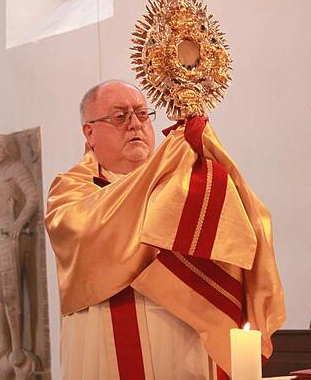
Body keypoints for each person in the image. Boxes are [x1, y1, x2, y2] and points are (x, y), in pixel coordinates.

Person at [45, 80, 284, 379]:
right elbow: (92, 231)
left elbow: (240, 232)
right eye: (120, 117)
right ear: (89, 132)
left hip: (188, 343)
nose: (134, 124)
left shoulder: (183, 181)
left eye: (142, 115)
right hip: (110, 340)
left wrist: (207, 160)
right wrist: (170, 157)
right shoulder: (71, 189)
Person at [0, 134, 40, 369]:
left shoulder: (16, 168)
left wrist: (19, 223)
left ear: (7, 149)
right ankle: (3, 343)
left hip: (10, 235)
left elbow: (33, 198)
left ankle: (16, 345)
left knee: (10, 294)